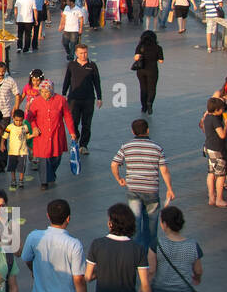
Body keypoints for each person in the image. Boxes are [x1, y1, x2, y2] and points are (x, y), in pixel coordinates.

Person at [111, 118, 174, 253]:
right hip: (151, 190)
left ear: (132, 131)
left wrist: (119, 179)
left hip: (133, 189)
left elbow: (114, 164)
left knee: (135, 222)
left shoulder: (126, 146)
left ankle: (137, 254)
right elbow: (164, 170)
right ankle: (151, 254)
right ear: (148, 130)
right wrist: (169, 188)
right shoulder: (157, 147)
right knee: (151, 225)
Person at [25, 77, 77, 190]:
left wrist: (72, 132)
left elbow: (67, 116)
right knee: (44, 159)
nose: (44, 94)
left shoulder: (61, 100)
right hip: (42, 134)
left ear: (52, 90)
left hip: (56, 133)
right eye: (42, 91)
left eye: (47, 91)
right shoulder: (36, 101)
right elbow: (30, 117)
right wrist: (34, 128)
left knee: (56, 157)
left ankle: (51, 174)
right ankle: (44, 181)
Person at [61, 44, 103, 154]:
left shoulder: (92, 66)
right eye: (81, 53)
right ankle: (76, 137)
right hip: (74, 98)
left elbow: (97, 82)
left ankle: (84, 145)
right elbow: (67, 79)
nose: (83, 55)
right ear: (76, 53)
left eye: (85, 53)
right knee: (73, 121)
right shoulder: (72, 65)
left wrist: (99, 97)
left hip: (88, 99)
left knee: (87, 123)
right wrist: (64, 93)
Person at [131, 30, 164, 116]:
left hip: (141, 71)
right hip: (152, 70)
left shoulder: (140, 47)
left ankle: (144, 107)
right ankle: (150, 103)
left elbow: (136, 58)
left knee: (143, 88)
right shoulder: (158, 48)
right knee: (152, 88)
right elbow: (161, 61)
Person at [1, 108, 35, 190]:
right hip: (12, 151)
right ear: (13, 118)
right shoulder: (10, 127)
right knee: (12, 167)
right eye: (16, 120)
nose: (18, 122)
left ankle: (21, 180)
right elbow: (4, 136)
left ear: (23, 120)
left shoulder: (25, 127)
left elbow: (27, 137)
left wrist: (33, 135)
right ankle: (13, 180)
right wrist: (2, 144)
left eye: (20, 121)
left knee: (21, 167)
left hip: (22, 151)